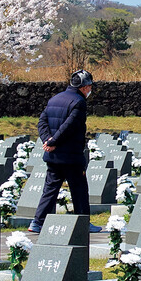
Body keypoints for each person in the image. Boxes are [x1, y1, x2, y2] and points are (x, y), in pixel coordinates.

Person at [28, 69, 101, 234]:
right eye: (89, 87)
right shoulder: (79, 102)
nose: (90, 90)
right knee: (79, 189)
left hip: (53, 155)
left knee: (50, 189)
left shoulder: (55, 98)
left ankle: (37, 222)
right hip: (71, 156)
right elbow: (70, 125)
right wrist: (53, 141)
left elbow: (42, 121)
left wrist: (47, 140)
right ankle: (83, 222)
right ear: (84, 87)